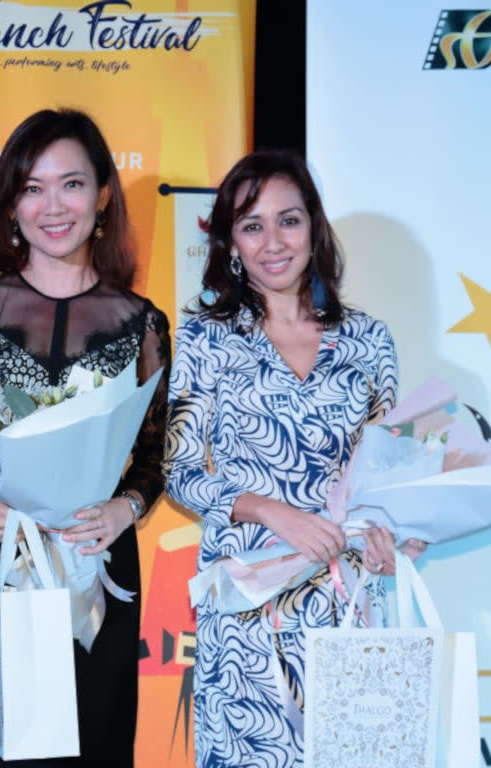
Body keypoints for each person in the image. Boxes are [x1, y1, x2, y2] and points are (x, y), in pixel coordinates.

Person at [0, 109, 170, 768]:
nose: (53, 206)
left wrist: (125, 509)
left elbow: (153, 450)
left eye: (72, 184)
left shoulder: (142, 323)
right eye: (32, 187)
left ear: (103, 195)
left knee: (92, 736)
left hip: (95, 555)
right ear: (11, 205)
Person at [164, 149, 426, 768]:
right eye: (252, 225)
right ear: (230, 241)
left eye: (289, 220)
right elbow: (179, 474)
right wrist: (268, 510)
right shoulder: (205, 338)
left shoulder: (370, 340)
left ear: (315, 227)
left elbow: (387, 474)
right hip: (250, 616)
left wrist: (399, 536)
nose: (272, 242)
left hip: (350, 605)